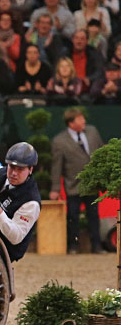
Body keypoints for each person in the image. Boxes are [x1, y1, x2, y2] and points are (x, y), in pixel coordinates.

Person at [50, 108, 105, 254]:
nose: (84, 121)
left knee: (94, 215)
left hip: (92, 184)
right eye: (80, 119)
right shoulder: (59, 141)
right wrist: (55, 189)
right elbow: (57, 166)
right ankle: (73, 246)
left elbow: (102, 152)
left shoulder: (93, 132)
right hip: (73, 185)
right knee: (73, 217)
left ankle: (97, 246)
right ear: (71, 123)